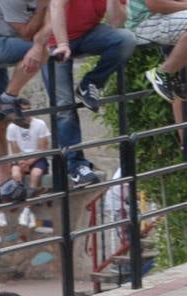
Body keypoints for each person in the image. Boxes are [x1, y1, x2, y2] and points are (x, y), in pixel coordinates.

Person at [0, 0, 57, 203]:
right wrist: (44, 9)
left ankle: (6, 185)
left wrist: (46, 24)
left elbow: (48, 27)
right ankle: (8, 97)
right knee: (39, 52)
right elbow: (27, 33)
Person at [41, 0, 139, 187]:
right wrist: (63, 43)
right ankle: (76, 165)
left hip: (87, 35)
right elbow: (56, 5)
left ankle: (90, 83)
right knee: (64, 106)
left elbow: (116, 23)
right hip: (54, 40)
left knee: (126, 40)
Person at [7, 118, 52, 194]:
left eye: (28, 109)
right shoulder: (12, 126)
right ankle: (20, 198)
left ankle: (29, 202)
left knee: (36, 174)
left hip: (38, 157)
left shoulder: (40, 123)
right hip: (20, 158)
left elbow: (43, 148)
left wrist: (29, 162)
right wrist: (21, 161)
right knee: (15, 174)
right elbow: (15, 150)